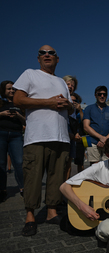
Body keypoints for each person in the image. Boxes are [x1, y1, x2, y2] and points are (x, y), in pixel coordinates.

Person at [13, 45, 74, 236]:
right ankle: (30, 216)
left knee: (57, 176)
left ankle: (51, 212)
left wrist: (68, 105)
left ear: (57, 59)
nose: (46, 55)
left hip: (61, 136)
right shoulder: (29, 74)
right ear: (38, 58)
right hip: (37, 135)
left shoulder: (62, 82)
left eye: (51, 53)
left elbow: (70, 109)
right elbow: (18, 100)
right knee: (33, 176)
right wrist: (48, 102)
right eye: (42, 53)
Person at [0, 80, 25, 202]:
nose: (11, 91)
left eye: (13, 89)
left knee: (19, 162)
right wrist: (2, 114)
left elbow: (26, 121)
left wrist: (18, 116)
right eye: (9, 89)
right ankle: (2, 190)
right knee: (1, 163)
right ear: (3, 91)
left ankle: (23, 188)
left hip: (16, 135)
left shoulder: (19, 104)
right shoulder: (1, 103)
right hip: (1, 134)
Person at [83, 86, 109, 164]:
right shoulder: (89, 108)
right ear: (95, 95)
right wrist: (100, 137)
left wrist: (105, 139)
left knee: (108, 167)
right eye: (100, 94)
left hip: (108, 142)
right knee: (94, 167)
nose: (102, 96)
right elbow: (86, 127)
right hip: (93, 142)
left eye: (104, 94)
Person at [63, 75, 80, 180]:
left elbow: (76, 121)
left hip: (72, 135)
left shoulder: (73, 102)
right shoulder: (60, 98)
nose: (70, 86)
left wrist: (76, 132)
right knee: (60, 163)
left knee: (69, 162)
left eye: (72, 85)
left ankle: (66, 184)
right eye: (68, 84)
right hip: (62, 134)